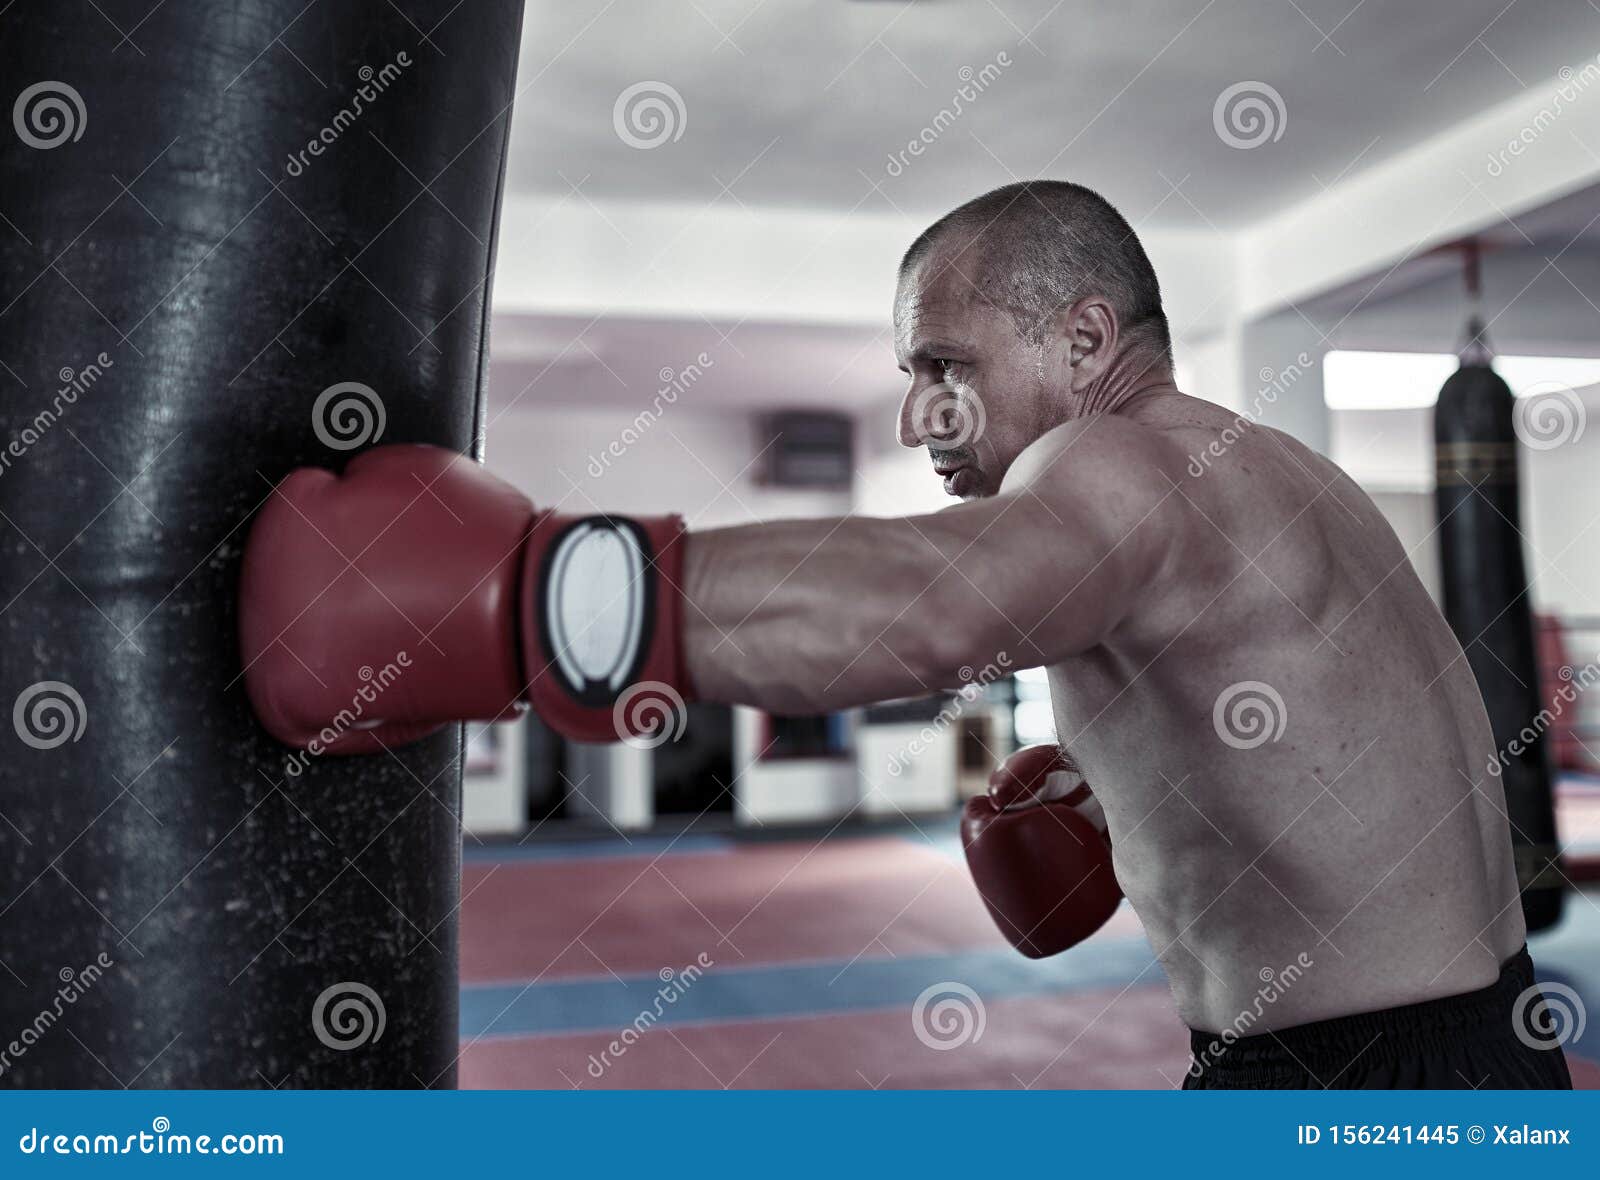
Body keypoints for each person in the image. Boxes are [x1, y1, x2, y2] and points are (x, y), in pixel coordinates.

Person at [239, 180, 1572, 1089]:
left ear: (1088, 335)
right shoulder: (1277, 471)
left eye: (947, 368)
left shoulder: (1118, 466)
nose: (920, 415)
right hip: (1487, 1045)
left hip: (1348, 1080)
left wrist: (542, 600)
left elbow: (930, 608)